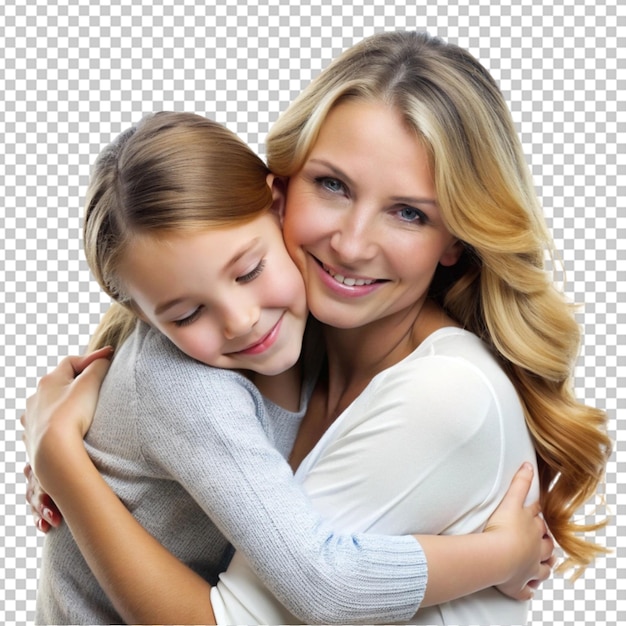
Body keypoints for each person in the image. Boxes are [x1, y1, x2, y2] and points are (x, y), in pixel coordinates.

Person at [24, 28, 612, 623]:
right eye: (332, 185)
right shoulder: (276, 351)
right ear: (279, 192)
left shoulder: (441, 394)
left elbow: (321, 583)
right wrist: (70, 456)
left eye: (409, 212)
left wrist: (63, 462)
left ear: (455, 239)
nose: (352, 245)